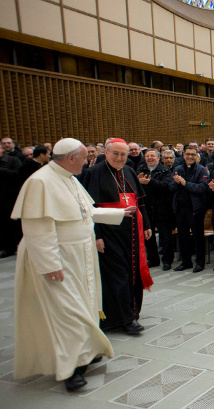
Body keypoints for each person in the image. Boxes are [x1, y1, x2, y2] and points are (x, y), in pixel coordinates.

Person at [11, 138, 130, 391]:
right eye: (85, 157)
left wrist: (118, 213)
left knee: (86, 304)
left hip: (81, 255)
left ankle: (85, 352)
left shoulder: (70, 177)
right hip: (58, 259)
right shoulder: (40, 182)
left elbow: (85, 212)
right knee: (67, 313)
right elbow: (37, 229)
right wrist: (49, 264)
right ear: (71, 158)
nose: (89, 161)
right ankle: (70, 369)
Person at [80, 139, 153, 335]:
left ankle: (132, 312)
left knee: (133, 273)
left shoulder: (129, 171)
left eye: (123, 154)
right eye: (116, 154)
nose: (120, 158)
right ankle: (125, 319)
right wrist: (97, 236)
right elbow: (90, 209)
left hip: (132, 232)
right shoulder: (93, 173)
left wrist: (146, 224)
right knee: (118, 276)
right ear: (106, 151)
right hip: (109, 233)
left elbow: (140, 202)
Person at [170, 145, 209, 272]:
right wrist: (176, 183)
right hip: (180, 208)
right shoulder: (178, 169)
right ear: (183, 155)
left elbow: (202, 188)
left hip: (195, 209)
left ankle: (200, 263)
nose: (190, 157)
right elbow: (170, 188)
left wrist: (185, 183)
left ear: (197, 156)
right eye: (187, 154)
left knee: (198, 237)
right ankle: (186, 262)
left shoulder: (202, 170)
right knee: (182, 236)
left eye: (193, 154)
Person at [137, 149, 175, 271]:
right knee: (149, 236)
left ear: (158, 158)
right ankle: (153, 259)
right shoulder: (141, 170)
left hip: (162, 208)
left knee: (166, 237)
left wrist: (150, 182)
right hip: (147, 208)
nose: (150, 158)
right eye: (147, 156)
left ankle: (167, 261)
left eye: (152, 156)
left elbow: (167, 186)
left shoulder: (165, 170)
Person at [0, 147, 22, 258]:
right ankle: (6, 247)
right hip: (1, 199)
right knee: (3, 225)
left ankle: (14, 246)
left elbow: (18, 174)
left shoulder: (13, 160)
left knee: (13, 225)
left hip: (11, 198)